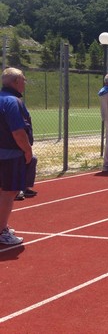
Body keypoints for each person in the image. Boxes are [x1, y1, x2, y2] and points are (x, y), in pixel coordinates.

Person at [0, 67, 34, 245]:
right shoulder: (13, 102)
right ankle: (1, 231)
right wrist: (27, 150)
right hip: (10, 155)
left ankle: (2, 225)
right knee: (9, 192)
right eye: (23, 79)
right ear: (15, 82)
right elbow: (18, 132)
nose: (25, 83)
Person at [14, 94, 37, 201]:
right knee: (17, 160)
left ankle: (25, 187)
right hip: (10, 149)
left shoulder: (23, 114)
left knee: (32, 159)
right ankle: (17, 189)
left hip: (20, 147)